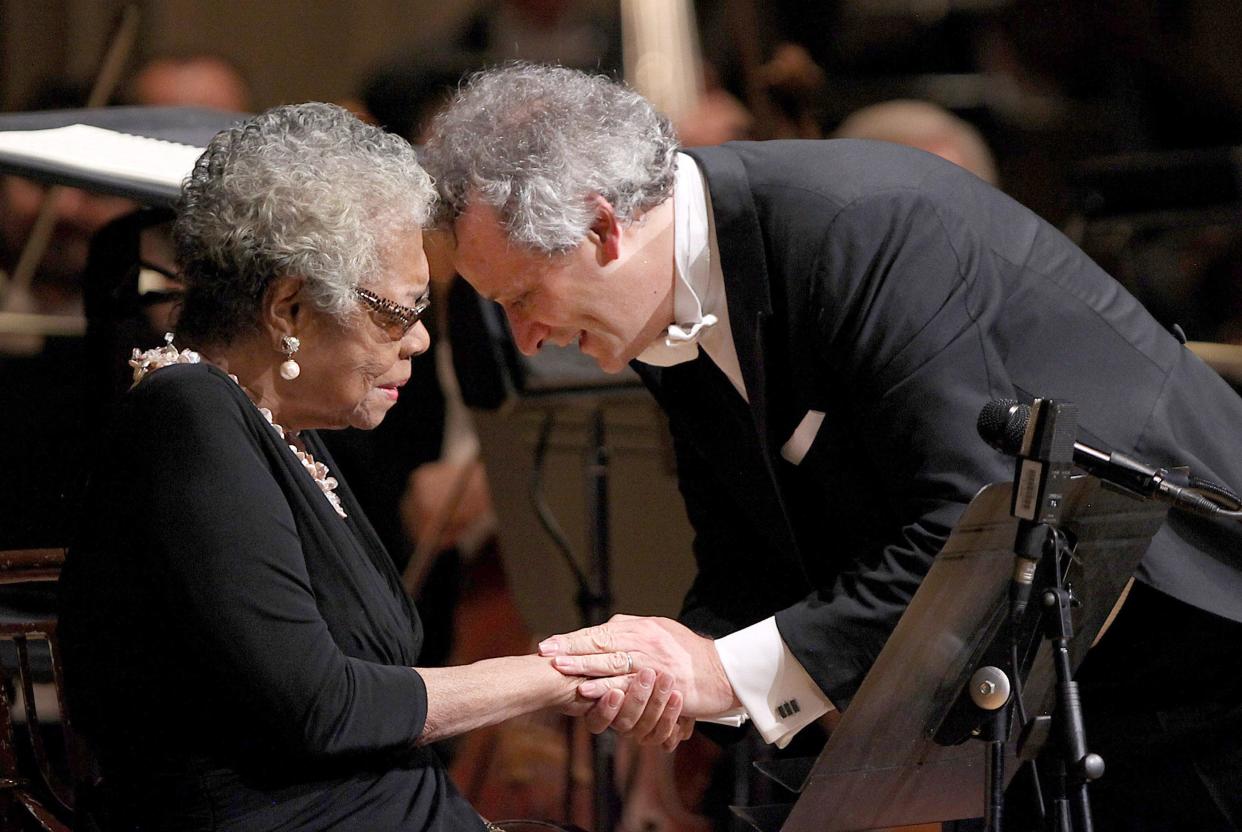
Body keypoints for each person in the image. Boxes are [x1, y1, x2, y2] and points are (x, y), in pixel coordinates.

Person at [420, 64, 1242, 828]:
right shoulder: (657, 311)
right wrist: (670, 671)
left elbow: (972, 525)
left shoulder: (861, 226)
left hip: (1182, 628)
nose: (526, 340)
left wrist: (721, 672)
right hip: (1036, 669)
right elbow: (747, 561)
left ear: (604, 227)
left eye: (523, 296)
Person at [57, 102, 680, 832]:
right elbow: (325, 707)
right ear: (288, 308)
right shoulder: (189, 415)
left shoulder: (276, 423)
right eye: (397, 312)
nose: (417, 341)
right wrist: (556, 676)